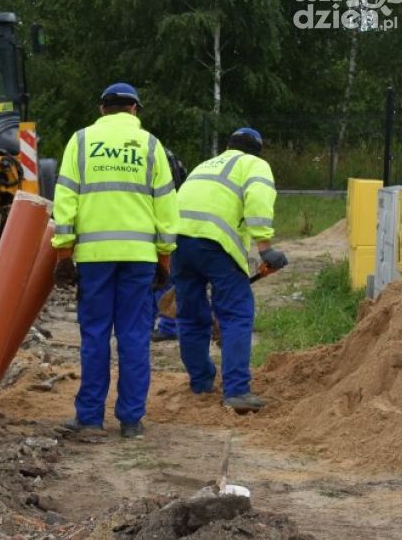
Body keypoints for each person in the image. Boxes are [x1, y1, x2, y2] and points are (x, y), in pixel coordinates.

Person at [52, 82, 179, 439]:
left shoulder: (80, 142)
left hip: (94, 258)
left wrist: (64, 252)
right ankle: (131, 421)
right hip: (139, 258)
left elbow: (65, 200)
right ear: (134, 110)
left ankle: (90, 418)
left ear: (101, 108)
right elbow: (167, 205)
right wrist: (164, 258)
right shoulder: (151, 146)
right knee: (135, 336)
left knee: (95, 335)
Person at [171, 127, 288, 412]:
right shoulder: (255, 165)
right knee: (236, 314)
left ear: (229, 146)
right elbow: (259, 201)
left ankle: (200, 382)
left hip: (179, 243)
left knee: (190, 316)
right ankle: (236, 390)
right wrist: (265, 248)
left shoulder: (205, 164)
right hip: (216, 244)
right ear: (258, 150)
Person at [151, 148, 188, 342]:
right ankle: (165, 324)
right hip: (168, 222)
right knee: (161, 277)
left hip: (157, 223)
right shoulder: (162, 153)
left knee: (162, 278)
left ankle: (167, 324)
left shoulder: (158, 155)